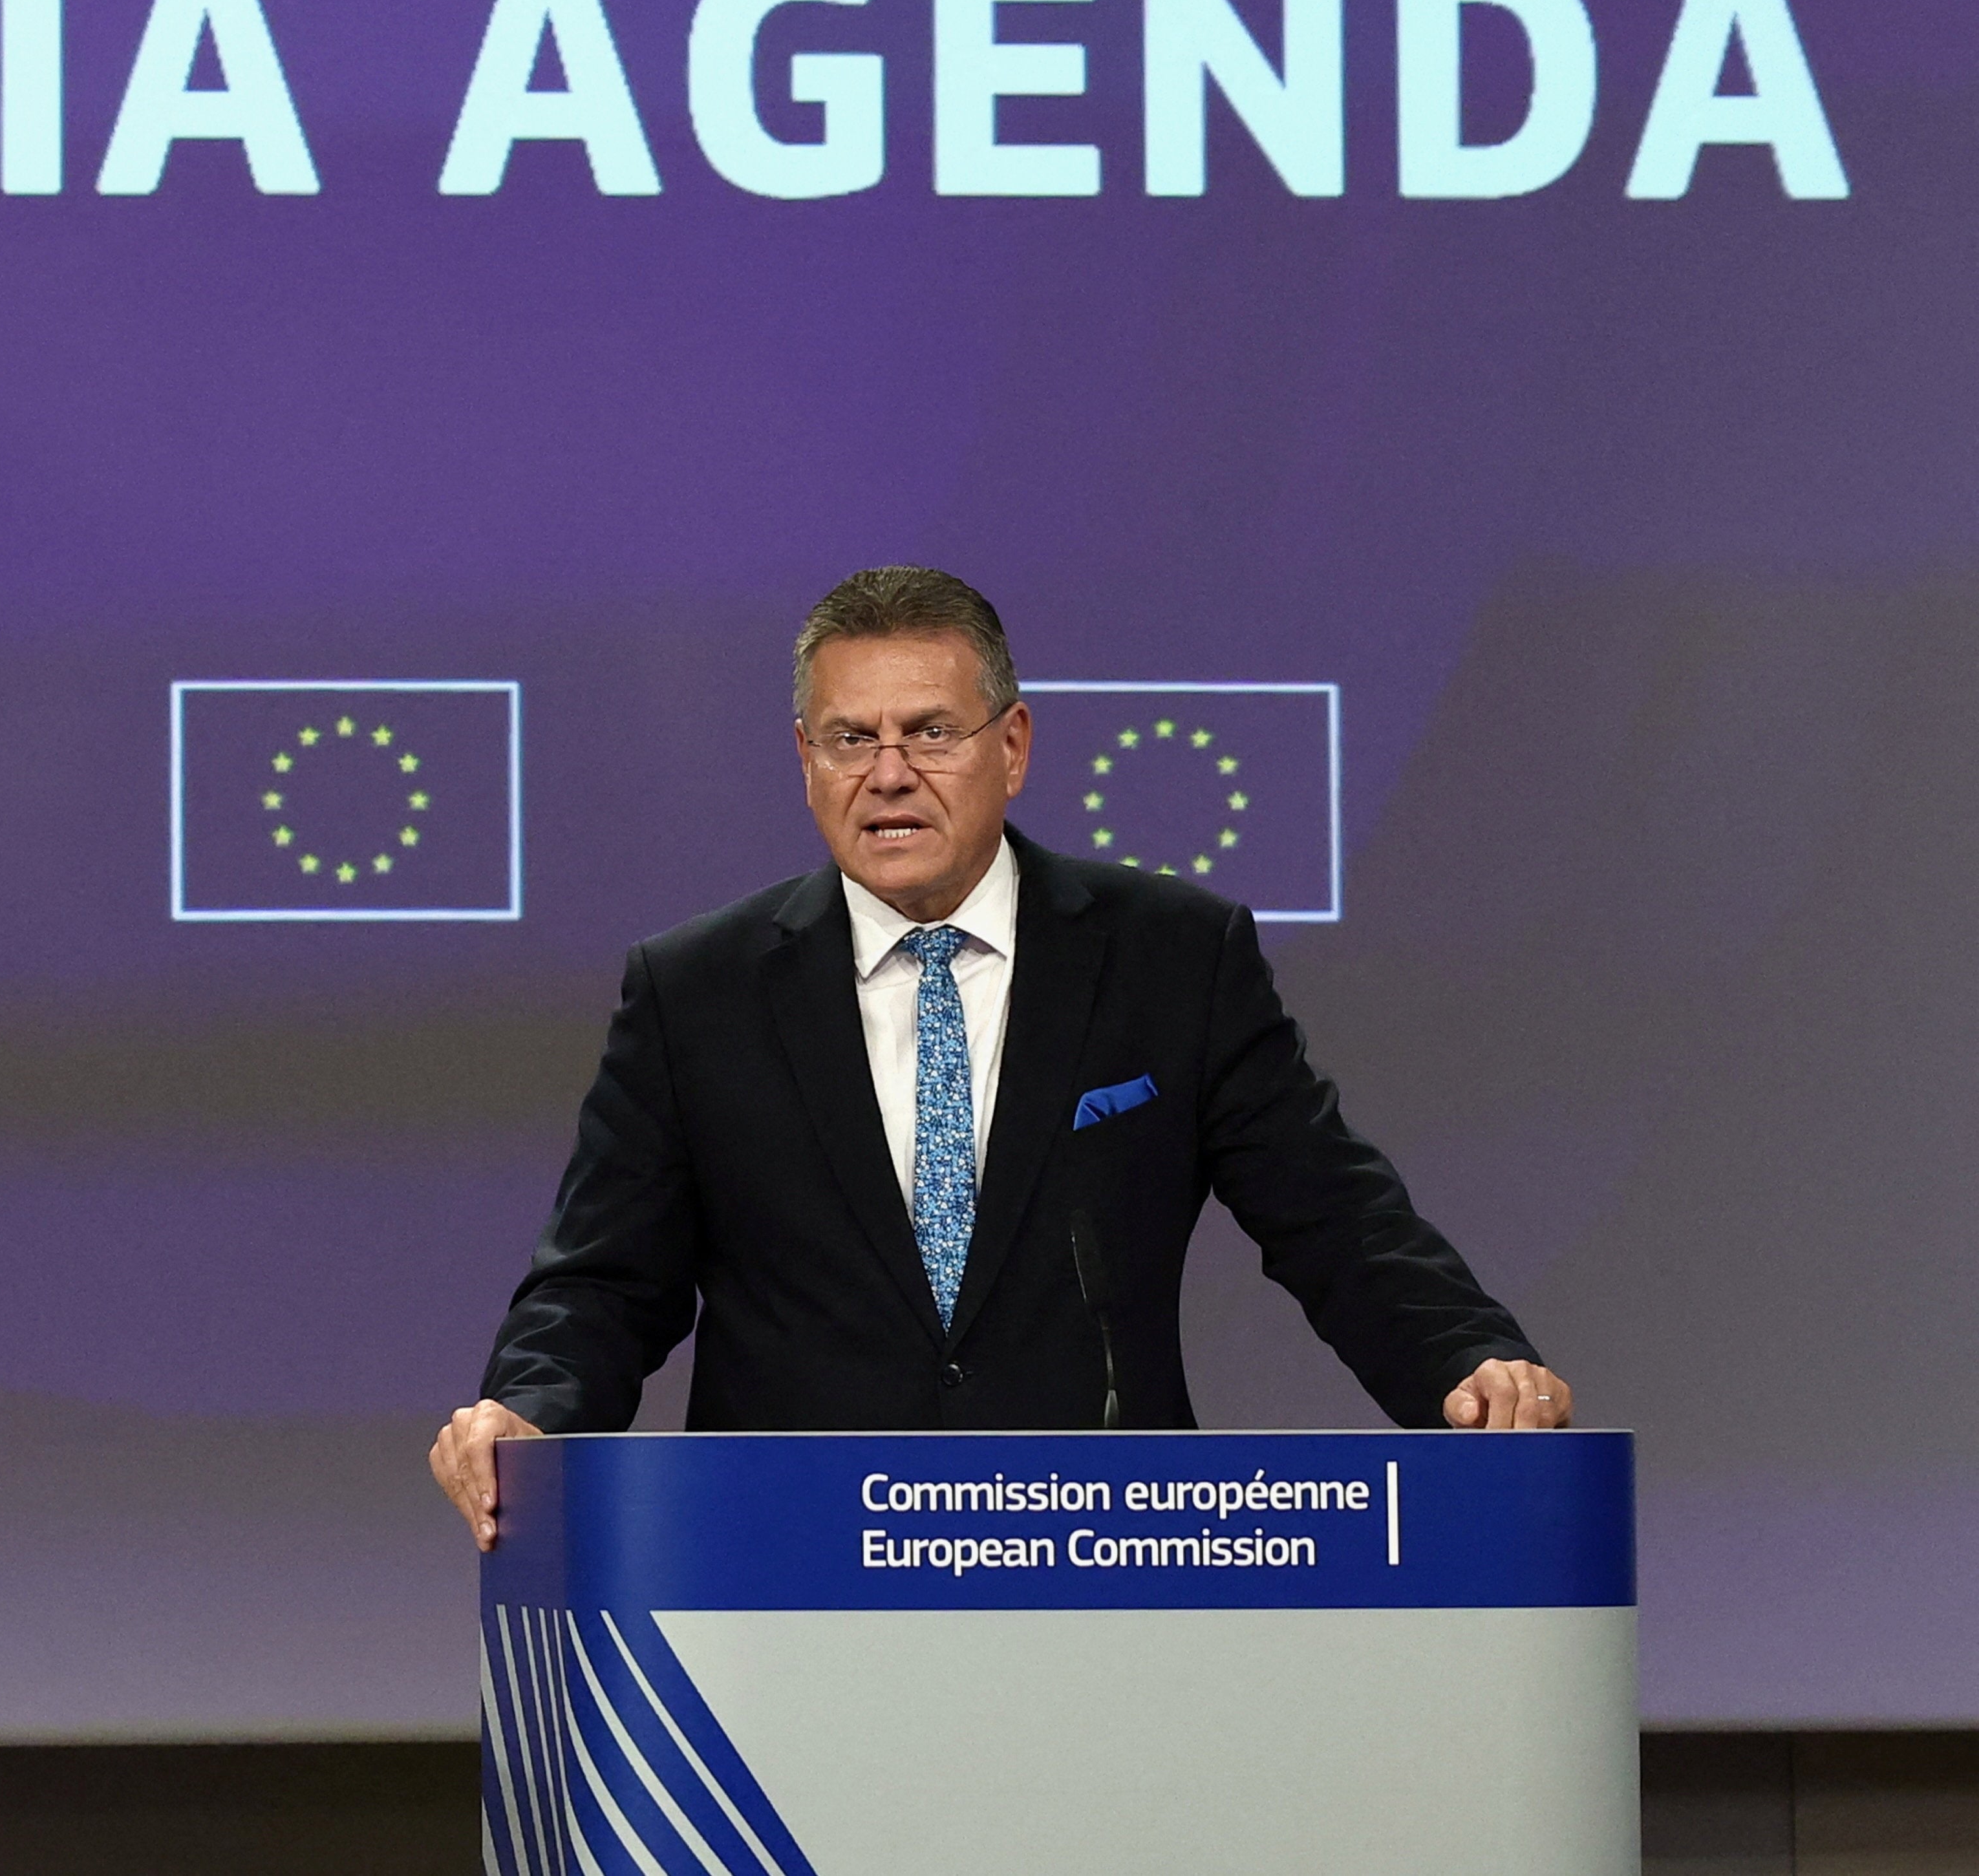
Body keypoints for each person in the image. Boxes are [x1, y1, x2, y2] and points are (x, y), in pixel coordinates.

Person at [429, 567, 1568, 1548]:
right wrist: (529, 1412)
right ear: (805, 760)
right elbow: (604, 1279)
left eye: (930, 730)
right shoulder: (698, 990)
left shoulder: (1169, 958)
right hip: (789, 1565)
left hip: (1101, 1546)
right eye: (850, 738)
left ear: (1012, 745)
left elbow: (1333, 1216)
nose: (888, 771)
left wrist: (1465, 1362)